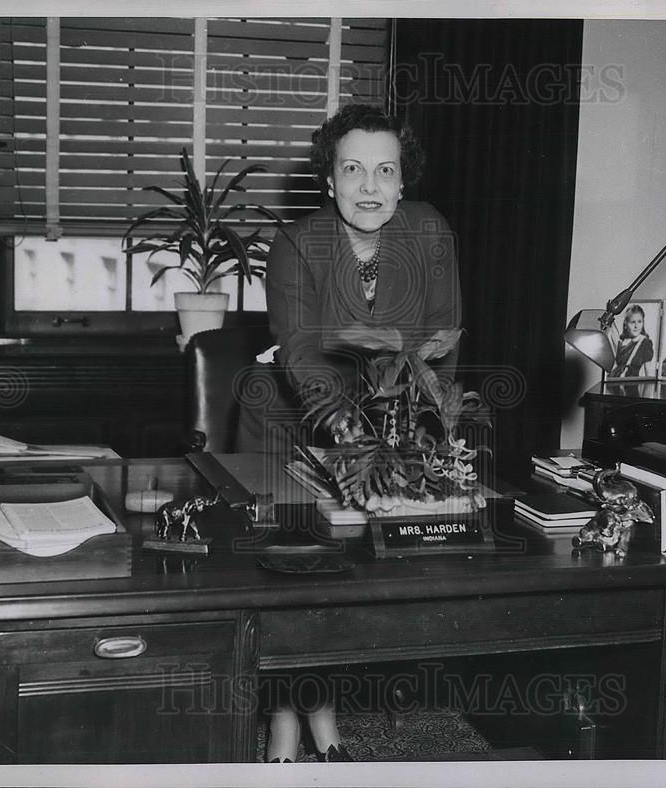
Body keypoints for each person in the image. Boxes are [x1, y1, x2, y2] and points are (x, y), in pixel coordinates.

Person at [254, 104, 462, 763]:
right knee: (300, 579)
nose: (369, 187)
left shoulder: (429, 233)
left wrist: (423, 436)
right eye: (353, 169)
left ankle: (310, 713)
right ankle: (296, 725)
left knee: (357, 582)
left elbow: (441, 343)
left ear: (403, 181)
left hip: (391, 416)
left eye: (384, 170)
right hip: (290, 423)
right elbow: (300, 354)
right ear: (329, 179)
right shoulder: (296, 243)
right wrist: (351, 436)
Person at [609, 304, 654, 378]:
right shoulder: (622, 342)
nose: (636, 326)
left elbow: (649, 371)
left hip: (631, 384)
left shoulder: (645, 343)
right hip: (615, 382)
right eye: (633, 322)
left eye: (639, 322)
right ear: (626, 324)